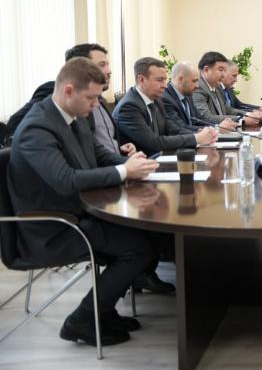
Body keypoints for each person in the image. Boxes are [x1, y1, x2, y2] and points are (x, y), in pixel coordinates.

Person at [8, 57, 159, 346]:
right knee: (137, 249)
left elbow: (98, 155)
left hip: (78, 212)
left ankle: (103, 311)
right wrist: (123, 172)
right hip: (51, 227)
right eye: (91, 98)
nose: (96, 104)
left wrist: (131, 164)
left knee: (148, 236)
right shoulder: (37, 128)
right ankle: (82, 319)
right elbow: (65, 180)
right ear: (68, 91)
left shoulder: (74, 117)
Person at [113, 57, 217, 156]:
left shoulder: (157, 100)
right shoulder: (129, 107)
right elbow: (153, 143)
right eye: (160, 80)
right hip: (140, 163)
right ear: (141, 80)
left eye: (165, 80)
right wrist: (196, 138)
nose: (165, 85)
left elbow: (173, 130)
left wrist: (200, 133)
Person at [192, 52, 262, 128]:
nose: (223, 75)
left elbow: (226, 109)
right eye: (220, 70)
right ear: (206, 70)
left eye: (224, 70)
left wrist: (248, 115)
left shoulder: (216, 86)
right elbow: (206, 118)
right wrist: (241, 120)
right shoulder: (198, 87)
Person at [162, 62, 237, 132]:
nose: (197, 86)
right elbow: (180, 128)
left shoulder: (187, 94)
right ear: (180, 79)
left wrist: (217, 127)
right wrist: (217, 128)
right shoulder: (166, 99)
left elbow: (198, 119)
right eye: (194, 81)